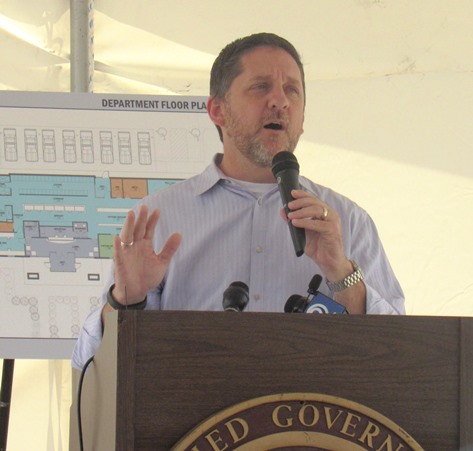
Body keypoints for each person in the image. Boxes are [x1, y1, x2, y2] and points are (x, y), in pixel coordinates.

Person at [72, 32, 404, 370]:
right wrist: (126, 301)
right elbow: (89, 367)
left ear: (302, 119)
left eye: (292, 90)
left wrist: (340, 271)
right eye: (261, 87)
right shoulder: (161, 219)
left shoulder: (347, 222)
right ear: (217, 110)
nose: (280, 101)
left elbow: (402, 354)